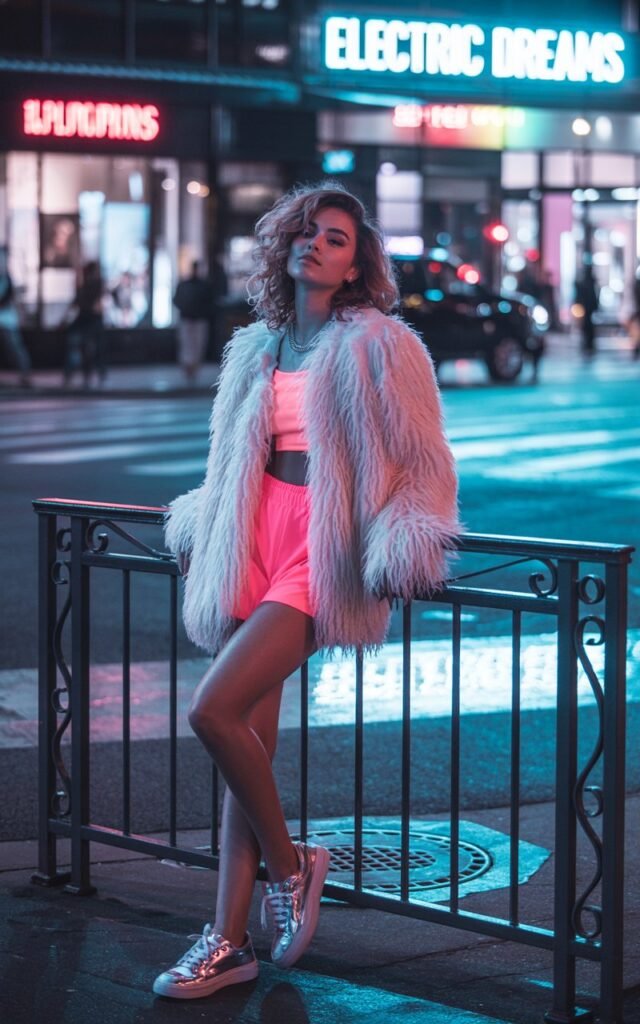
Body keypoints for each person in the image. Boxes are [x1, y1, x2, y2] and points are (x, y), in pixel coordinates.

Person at [155, 183, 460, 1000]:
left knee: (211, 711)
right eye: (306, 233)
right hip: (255, 534)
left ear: (357, 263)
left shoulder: (380, 345)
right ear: (284, 246)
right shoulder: (259, 346)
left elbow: (426, 460)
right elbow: (229, 459)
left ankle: (293, 870)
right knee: (244, 742)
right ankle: (226, 941)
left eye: (335, 239)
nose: (315, 246)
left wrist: (406, 541)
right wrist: (203, 517)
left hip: (322, 547)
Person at [62, 261, 106, 387]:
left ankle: (83, 375)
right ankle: (78, 374)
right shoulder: (87, 286)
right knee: (84, 348)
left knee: (88, 348)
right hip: (87, 320)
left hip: (90, 321)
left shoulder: (93, 285)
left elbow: (82, 303)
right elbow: (76, 303)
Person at [173, 260, 213, 383]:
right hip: (189, 318)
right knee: (189, 344)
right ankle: (189, 368)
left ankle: (192, 369)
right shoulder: (190, 285)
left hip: (196, 319)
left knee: (195, 345)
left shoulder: (202, 285)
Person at [0, 249, 32, 388]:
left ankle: (25, 375)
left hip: (6, 321)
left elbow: (8, 299)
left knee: (15, 349)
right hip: (5, 319)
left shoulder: (7, 279)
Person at [575, 265, 599, 358]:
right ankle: (587, 345)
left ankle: (588, 345)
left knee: (587, 328)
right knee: (586, 328)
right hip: (587, 308)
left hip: (587, 308)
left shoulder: (587, 281)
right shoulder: (587, 282)